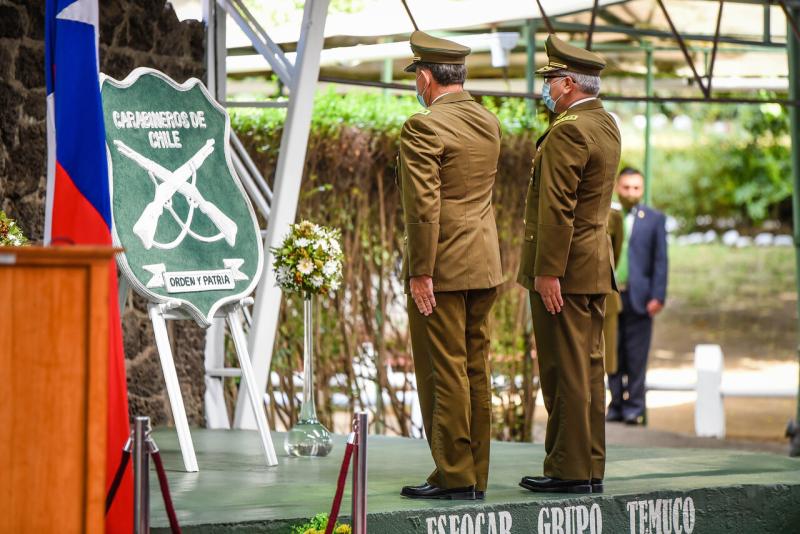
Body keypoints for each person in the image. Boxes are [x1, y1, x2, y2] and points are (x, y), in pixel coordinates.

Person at [398, 31, 503, 501]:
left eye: (416, 78)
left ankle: (454, 475)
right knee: (475, 369)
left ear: (425, 76)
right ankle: (476, 475)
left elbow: (424, 207)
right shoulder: (487, 121)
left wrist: (421, 271)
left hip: (443, 266)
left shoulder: (424, 127)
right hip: (484, 263)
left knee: (444, 371)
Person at [516, 35, 620, 494]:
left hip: (567, 270)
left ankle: (569, 469)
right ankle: (588, 466)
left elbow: (558, 206)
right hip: (593, 264)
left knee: (565, 371)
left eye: (551, 81)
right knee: (589, 370)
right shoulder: (605, 123)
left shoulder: (569, 129)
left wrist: (547, 271)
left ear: (568, 85)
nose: (547, 89)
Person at [606, 167, 668, 426]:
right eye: (626, 187)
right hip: (612, 295)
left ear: (642, 190)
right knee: (613, 352)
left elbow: (661, 260)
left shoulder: (654, 219)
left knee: (636, 355)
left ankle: (635, 407)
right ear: (617, 188)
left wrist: (658, 295)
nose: (631, 192)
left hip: (640, 297)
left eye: (636, 188)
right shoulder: (607, 216)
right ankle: (616, 404)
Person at [603, 203, 624, 375]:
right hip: (565, 297)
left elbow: (614, 254)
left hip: (604, 295)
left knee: (602, 364)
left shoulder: (613, 214)